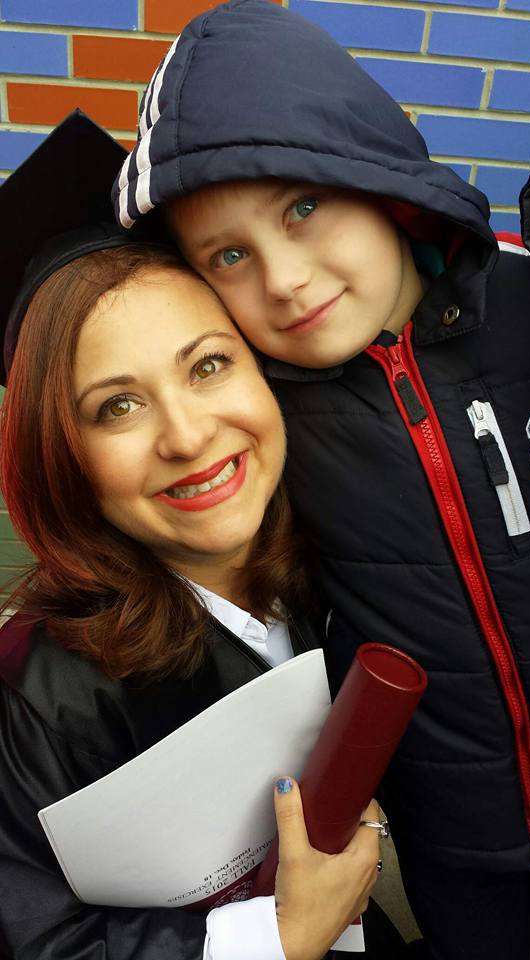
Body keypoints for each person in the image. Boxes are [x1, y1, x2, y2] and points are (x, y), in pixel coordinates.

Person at [112, 2, 530, 958]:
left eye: (302, 207)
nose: (288, 279)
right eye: (230, 255)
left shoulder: (525, 304)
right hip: (457, 853)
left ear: (377, 176)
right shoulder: (260, 421)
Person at [0, 111, 385, 960]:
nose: (186, 435)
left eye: (208, 364)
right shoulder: (39, 689)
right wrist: (277, 939)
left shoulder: (346, 569)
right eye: (117, 406)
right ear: (63, 458)